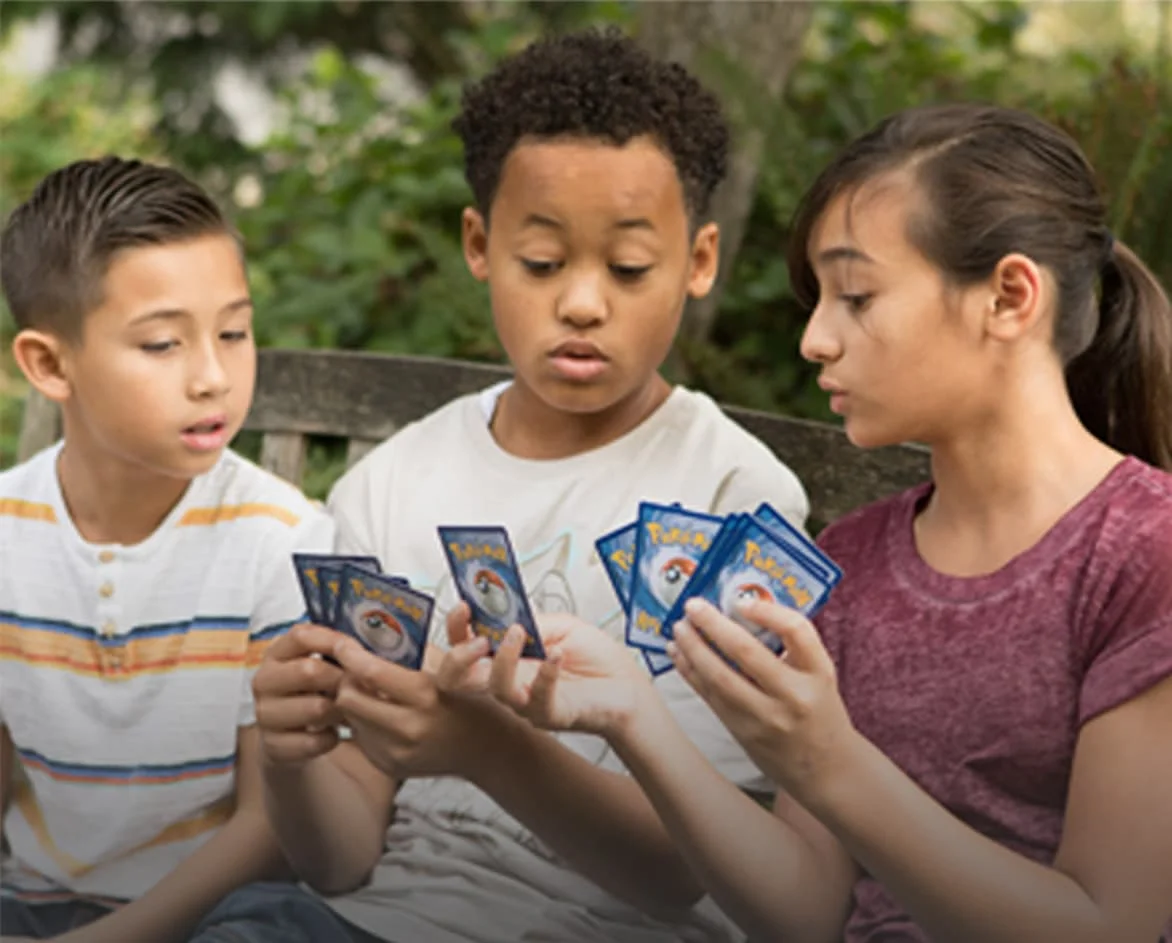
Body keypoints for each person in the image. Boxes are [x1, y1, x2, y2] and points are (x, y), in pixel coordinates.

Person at [466, 103, 1172, 943]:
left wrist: (830, 761)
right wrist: (633, 715)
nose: (813, 340)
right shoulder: (849, 561)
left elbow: (1111, 926)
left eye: (856, 297)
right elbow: (807, 912)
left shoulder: (1144, 551)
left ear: (1009, 296)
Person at [234, 27, 811, 943]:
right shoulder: (394, 485)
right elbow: (339, 858)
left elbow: (682, 873)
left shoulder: (730, 496)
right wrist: (290, 757)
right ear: (479, 243)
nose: (581, 302)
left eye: (628, 268)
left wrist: (489, 747)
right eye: (542, 263)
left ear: (700, 261)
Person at [0, 157, 334, 942]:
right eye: (161, 344)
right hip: (28, 901)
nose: (213, 377)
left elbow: (269, 824)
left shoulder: (282, 540)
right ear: (50, 364)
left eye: (234, 332)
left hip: (218, 909)